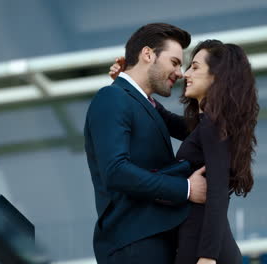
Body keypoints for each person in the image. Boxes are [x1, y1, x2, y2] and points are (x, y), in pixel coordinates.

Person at [109, 39, 259, 264]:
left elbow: (217, 194)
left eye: (195, 67)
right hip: (196, 244)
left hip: (205, 252)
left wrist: (207, 257)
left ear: (217, 77)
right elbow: (165, 119)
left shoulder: (213, 127)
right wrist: (129, 82)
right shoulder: (206, 125)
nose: (185, 74)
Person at [84, 23, 208, 264]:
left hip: (150, 242)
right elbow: (116, 171)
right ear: (148, 54)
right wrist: (187, 189)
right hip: (135, 244)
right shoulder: (112, 97)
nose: (180, 73)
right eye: (174, 62)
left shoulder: (138, 102)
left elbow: (196, 132)